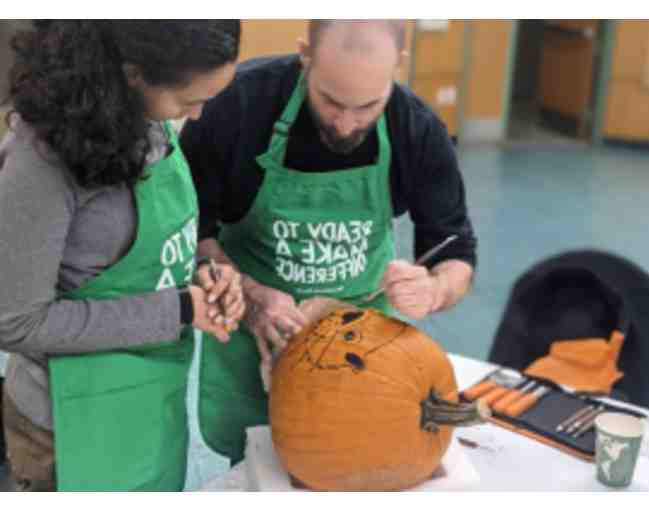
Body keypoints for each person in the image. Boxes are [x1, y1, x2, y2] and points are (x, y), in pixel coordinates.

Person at [180, 20, 478, 465]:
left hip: (359, 354)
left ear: (398, 66)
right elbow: (190, 231)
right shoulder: (236, 106)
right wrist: (248, 294)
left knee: (352, 460)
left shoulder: (417, 129)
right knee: (259, 470)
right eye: (331, 101)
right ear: (306, 55)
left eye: (366, 107)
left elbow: (457, 255)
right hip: (253, 336)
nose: (344, 124)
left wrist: (434, 290)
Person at [0, 20, 245, 491]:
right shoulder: (40, 163)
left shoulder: (147, 118)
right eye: (187, 101)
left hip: (151, 402)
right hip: (65, 428)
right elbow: (15, 322)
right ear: (133, 75)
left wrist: (205, 272)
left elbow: (135, 245)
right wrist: (179, 308)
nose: (194, 117)